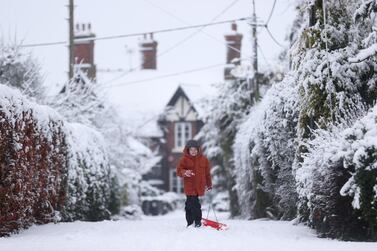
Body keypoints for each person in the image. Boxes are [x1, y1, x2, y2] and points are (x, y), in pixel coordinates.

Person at [176, 139, 212, 228]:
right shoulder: (184, 159)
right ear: (188, 150)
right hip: (189, 186)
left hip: (199, 185)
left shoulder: (204, 160)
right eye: (191, 150)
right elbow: (179, 171)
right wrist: (185, 172)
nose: (193, 152)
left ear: (198, 150)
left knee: (192, 204)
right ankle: (193, 222)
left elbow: (207, 173)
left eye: (195, 150)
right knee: (192, 203)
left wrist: (209, 184)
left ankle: (195, 222)